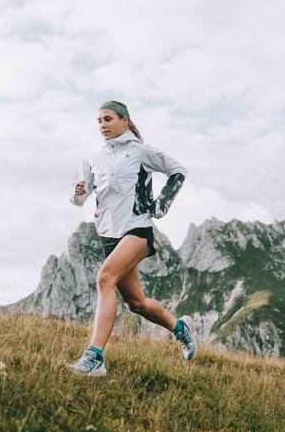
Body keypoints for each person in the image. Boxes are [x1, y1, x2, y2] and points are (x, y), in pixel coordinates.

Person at [66, 100, 197, 377]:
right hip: (108, 234)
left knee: (104, 279)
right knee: (136, 303)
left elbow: (178, 170)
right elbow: (79, 199)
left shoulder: (140, 152)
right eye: (99, 121)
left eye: (108, 119)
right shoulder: (92, 158)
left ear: (124, 121)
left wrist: (159, 206)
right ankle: (179, 328)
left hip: (137, 229)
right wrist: (78, 192)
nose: (103, 125)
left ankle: (95, 358)